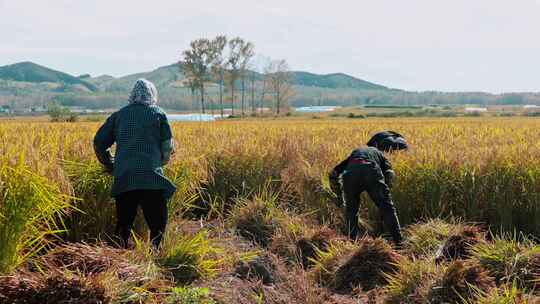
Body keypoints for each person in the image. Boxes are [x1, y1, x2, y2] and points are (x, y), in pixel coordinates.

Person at [93, 79, 176, 249]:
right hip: (151, 177)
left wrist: (110, 163)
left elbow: (99, 142)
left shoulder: (119, 115)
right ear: (153, 95)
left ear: (131, 95)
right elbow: (167, 147)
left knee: (124, 223)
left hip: (125, 176)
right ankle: (156, 256)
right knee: (157, 224)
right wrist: (158, 163)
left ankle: (121, 259)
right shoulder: (158, 114)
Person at [329, 145, 402, 245]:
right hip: (370, 171)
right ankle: (399, 243)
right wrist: (385, 193)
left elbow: (333, 173)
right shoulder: (380, 154)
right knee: (387, 208)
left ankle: (352, 243)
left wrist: (339, 196)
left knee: (351, 211)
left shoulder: (355, 153)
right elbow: (390, 174)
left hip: (351, 173)